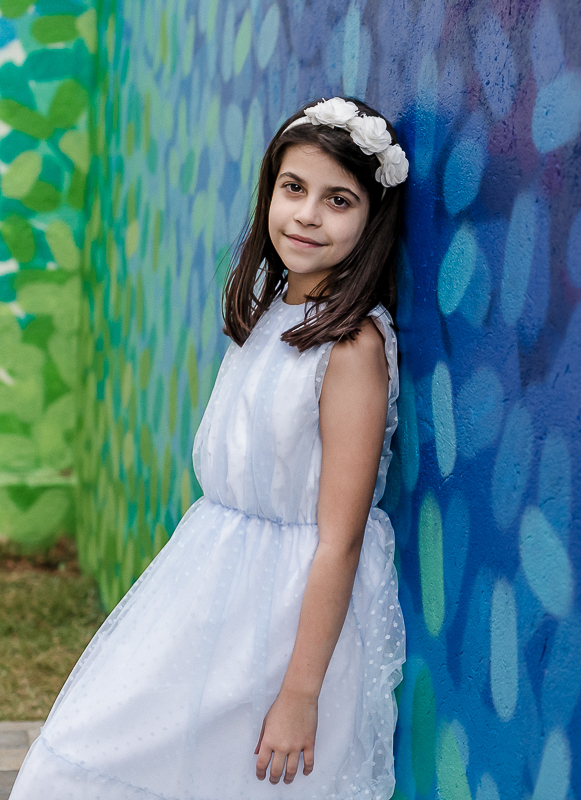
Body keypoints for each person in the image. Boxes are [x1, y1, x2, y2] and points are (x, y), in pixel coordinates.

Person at [11, 96, 410, 798]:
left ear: (373, 219)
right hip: (212, 580)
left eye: (338, 200)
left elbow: (340, 538)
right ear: (268, 194)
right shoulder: (273, 308)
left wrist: (300, 695)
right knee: (92, 750)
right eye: (294, 188)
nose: (307, 215)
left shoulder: (351, 347)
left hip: (285, 610)